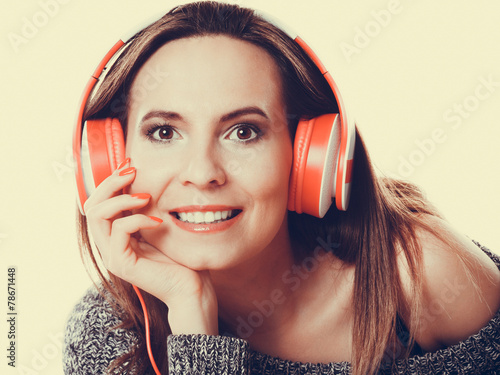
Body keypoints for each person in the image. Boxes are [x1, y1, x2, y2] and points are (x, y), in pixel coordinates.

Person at [63, 2, 500, 374]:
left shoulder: (419, 274)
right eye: (163, 132)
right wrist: (193, 317)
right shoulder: (108, 335)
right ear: (109, 159)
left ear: (311, 156)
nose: (203, 173)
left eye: (244, 132)